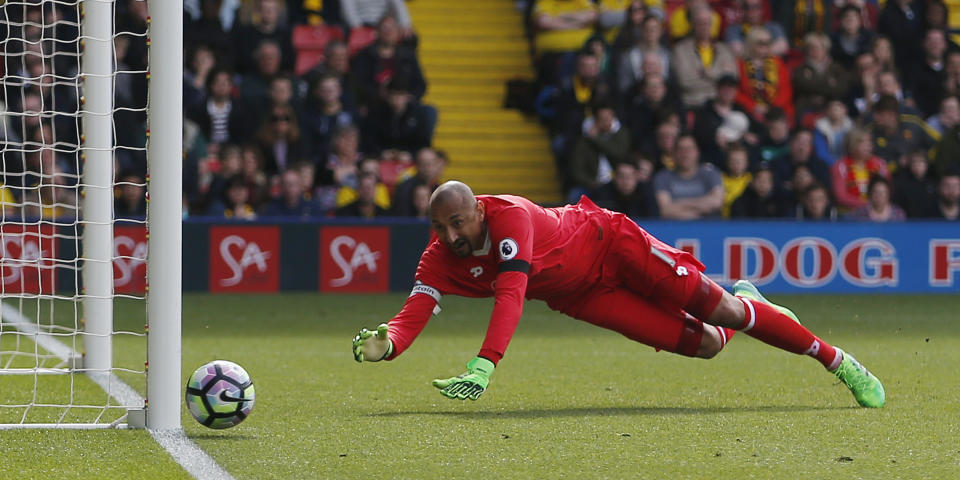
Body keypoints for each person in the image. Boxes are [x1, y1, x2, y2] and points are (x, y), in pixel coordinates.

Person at [351, 180, 885, 408]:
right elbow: (414, 310)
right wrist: (390, 344)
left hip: (614, 244)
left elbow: (511, 293)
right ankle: (755, 305)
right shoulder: (439, 255)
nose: (450, 237)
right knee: (708, 344)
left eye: (458, 223)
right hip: (581, 296)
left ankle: (839, 362)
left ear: (479, 212)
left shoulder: (509, 215)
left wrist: (485, 364)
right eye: (440, 228)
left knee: (720, 308)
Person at [670, 4, 738, 109]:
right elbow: (685, 82)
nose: (704, 27)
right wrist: (719, 78)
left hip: (721, 106)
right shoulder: (680, 50)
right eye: (700, 23)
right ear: (692, 24)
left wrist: (706, 74)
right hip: (693, 105)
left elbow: (733, 79)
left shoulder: (724, 50)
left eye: (707, 23)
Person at [652, 135, 724, 219]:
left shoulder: (711, 173)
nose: (685, 154)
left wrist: (679, 203)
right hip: (674, 229)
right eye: (681, 149)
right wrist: (702, 208)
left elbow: (717, 202)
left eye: (689, 149)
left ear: (697, 152)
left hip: (711, 228)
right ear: (674, 153)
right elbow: (665, 210)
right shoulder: (662, 177)